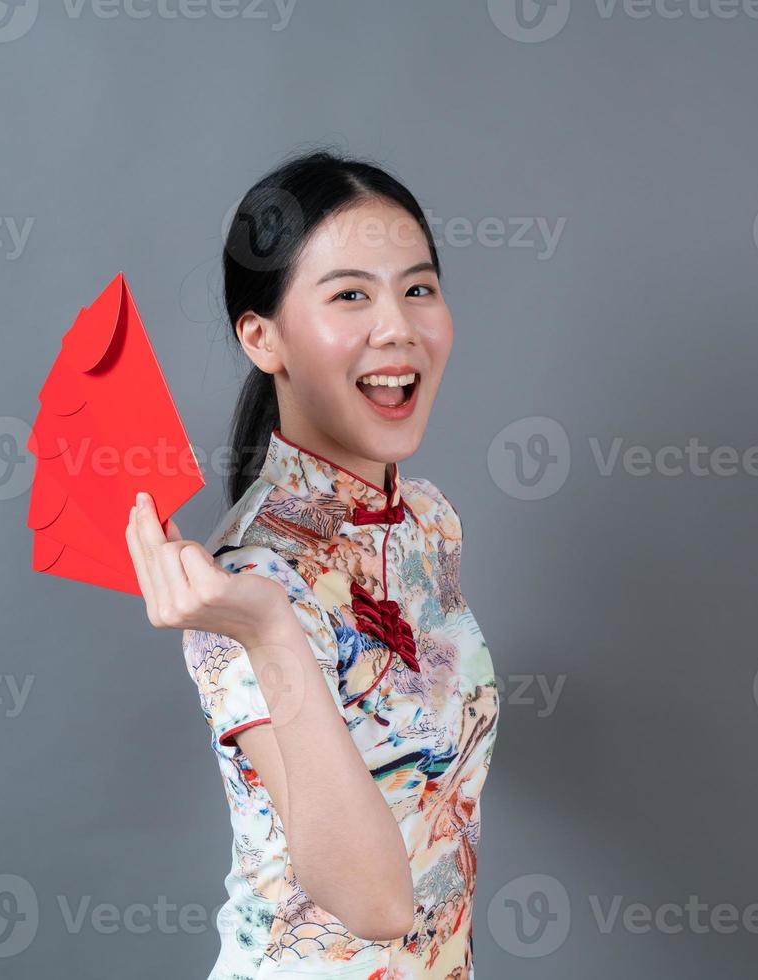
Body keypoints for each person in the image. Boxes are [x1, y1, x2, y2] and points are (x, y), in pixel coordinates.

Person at [123, 148, 500, 979]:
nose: (396, 325)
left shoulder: (428, 521)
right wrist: (266, 629)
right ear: (263, 337)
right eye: (351, 296)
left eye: (418, 288)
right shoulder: (249, 577)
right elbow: (371, 902)